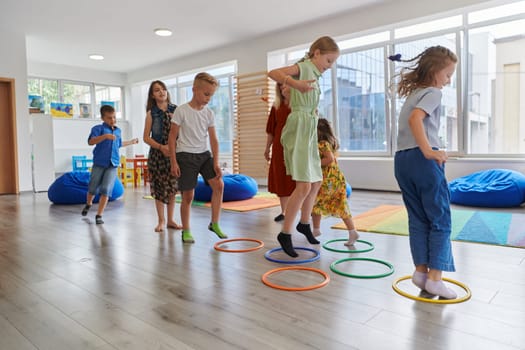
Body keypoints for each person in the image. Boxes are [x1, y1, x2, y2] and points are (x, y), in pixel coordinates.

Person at [390, 46, 458, 299]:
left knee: (418, 218)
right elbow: (416, 120)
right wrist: (429, 151)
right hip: (422, 159)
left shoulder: (413, 95)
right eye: (448, 74)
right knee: (440, 219)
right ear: (434, 70)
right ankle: (435, 279)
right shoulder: (433, 93)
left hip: (402, 160)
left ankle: (420, 273)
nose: (448, 81)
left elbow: (411, 120)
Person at [268, 36, 340, 257]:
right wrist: (294, 83)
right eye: (328, 61)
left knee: (316, 179)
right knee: (303, 185)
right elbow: (273, 73)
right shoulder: (304, 67)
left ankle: (304, 223)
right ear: (316, 53)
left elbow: (305, 101)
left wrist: (313, 112)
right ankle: (286, 233)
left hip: (308, 127)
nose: (330, 67)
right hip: (298, 130)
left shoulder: (316, 75)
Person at [168, 72, 228, 243]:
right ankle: (186, 230)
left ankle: (214, 223)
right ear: (194, 90)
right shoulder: (181, 111)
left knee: (219, 185)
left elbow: (214, 139)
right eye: (206, 94)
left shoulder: (209, 113)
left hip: (204, 155)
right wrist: (173, 161)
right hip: (185, 155)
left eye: (211, 95)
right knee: (188, 196)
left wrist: (216, 162)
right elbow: (172, 138)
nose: (209, 98)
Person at [81, 105, 138, 224]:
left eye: (114, 117)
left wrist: (132, 142)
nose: (112, 120)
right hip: (99, 163)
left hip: (113, 164)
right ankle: (89, 203)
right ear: (102, 118)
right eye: (109, 118)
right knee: (92, 187)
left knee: (106, 189)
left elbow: (119, 144)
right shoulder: (98, 128)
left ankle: (99, 215)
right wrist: (105, 136)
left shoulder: (118, 131)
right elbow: (91, 142)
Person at [311, 118, 359, 246]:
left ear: (319, 131)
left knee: (315, 203)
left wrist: (315, 164)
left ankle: (315, 230)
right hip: (336, 180)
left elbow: (330, 159)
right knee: (340, 206)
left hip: (328, 181)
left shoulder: (322, 143)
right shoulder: (329, 143)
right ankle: (352, 231)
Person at [143, 80, 182, 233]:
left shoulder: (176, 109)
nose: (162, 92)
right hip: (157, 156)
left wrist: (173, 149)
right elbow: (146, 137)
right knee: (159, 189)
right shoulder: (151, 113)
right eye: (157, 90)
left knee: (172, 187)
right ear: (152, 95)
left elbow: (182, 132)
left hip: (173, 154)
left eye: (163, 89)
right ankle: (161, 220)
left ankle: (171, 219)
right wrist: (161, 147)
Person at [264, 82, 295, 222]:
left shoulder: (299, 104)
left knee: (298, 178)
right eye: (280, 86)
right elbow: (271, 130)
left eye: (285, 85)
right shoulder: (276, 106)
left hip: (296, 145)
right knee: (281, 177)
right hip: (279, 146)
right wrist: (267, 148)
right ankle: (284, 212)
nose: (283, 88)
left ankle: (305, 210)